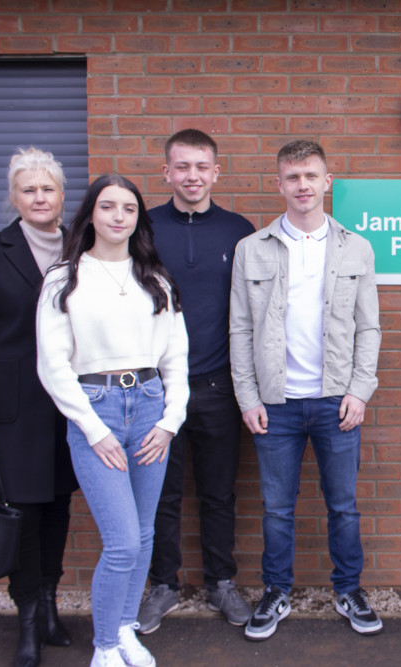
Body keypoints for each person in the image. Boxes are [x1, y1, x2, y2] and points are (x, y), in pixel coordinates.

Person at [229, 139, 382, 641]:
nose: (302, 186)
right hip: (276, 404)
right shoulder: (253, 248)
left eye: (311, 176)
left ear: (326, 182)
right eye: (292, 177)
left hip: (336, 400)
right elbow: (241, 330)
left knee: (343, 505)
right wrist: (247, 396)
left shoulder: (356, 248)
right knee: (277, 508)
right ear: (279, 184)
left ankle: (349, 589)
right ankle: (276, 592)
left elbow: (369, 328)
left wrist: (359, 391)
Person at [37, 174, 189, 667]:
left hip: (148, 406)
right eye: (108, 206)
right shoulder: (65, 278)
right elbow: (52, 364)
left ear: (138, 218)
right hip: (94, 409)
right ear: (91, 215)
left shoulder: (156, 280)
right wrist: (93, 428)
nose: (118, 216)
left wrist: (170, 421)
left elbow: (176, 359)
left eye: (128, 208)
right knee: (122, 541)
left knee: (143, 534)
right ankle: (104, 647)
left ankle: (125, 629)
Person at [0, 147, 79, 667]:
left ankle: (49, 602)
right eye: (28, 190)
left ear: (61, 195)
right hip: (12, 409)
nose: (39, 198)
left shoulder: (81, 248)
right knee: (22, 511)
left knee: (57, 505)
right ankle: (26, 614)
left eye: (47, 188)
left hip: (69, 405)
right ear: (14, 198)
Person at [137, 129, 256, 634]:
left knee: (218, 492)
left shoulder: (239, 230)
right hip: (155, 389)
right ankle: (162, 584)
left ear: (216, 172)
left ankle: (221, 582)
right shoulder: (140, 227)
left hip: (217, 386)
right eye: (182, 167)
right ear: (166, 172)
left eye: (201, 167)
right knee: (159, 492)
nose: (192, 176)